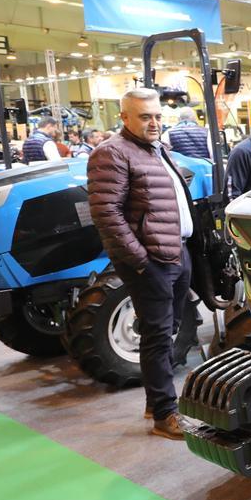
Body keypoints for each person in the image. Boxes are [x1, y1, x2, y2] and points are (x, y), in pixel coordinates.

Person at [87, 88, 197, 440]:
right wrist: (140, 262)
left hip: (176, 251)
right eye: (145, 117)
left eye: (157, 116)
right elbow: (107, 214)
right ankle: (165, 413)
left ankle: (155, 399)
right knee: (157, 334)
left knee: (169, 329)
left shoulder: (157, 149)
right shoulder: (112, 153)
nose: (154, 123)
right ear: (125, 118)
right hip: (151, 260)